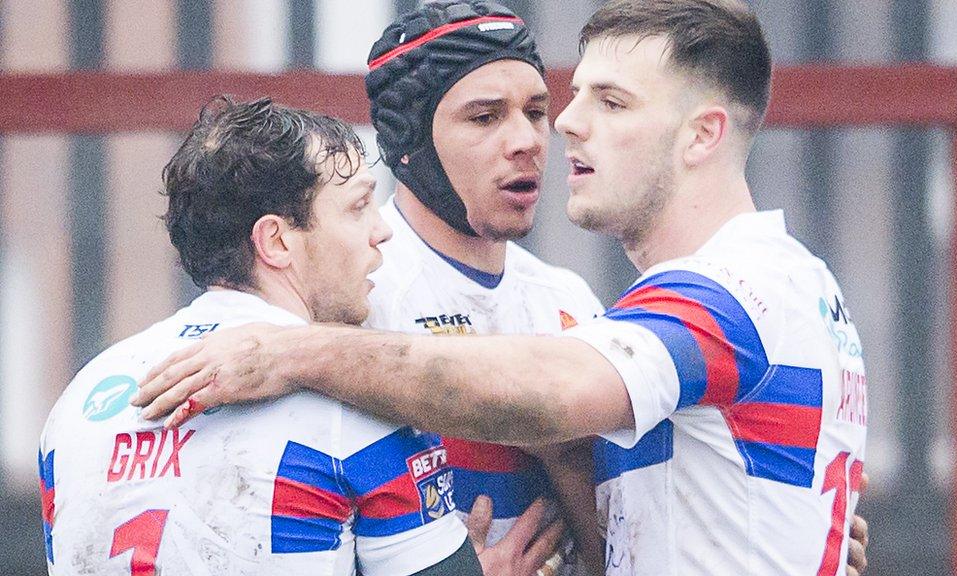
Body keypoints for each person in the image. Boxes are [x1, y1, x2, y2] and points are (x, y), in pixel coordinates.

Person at [135, 1, 870, 574]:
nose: (554, 132)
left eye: (603, 104)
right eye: (488, 116)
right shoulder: (344, 290)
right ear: (409, 142)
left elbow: (555, 392)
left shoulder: (707, 293)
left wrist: (292, 355)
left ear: (702, 135)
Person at [37, 97, 493, 576]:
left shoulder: (77, 403)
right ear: (276, 241)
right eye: (359, 206)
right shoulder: (361, 401)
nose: (382, 231)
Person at [363, 2, 605, 574]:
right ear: (410, 142)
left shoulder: (567, 299)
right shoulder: (356, 292)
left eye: (537, 110)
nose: (526, 139)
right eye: (484, 117)